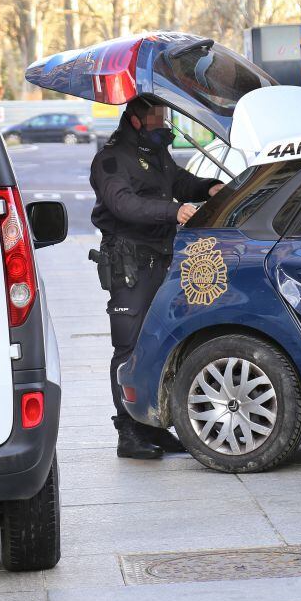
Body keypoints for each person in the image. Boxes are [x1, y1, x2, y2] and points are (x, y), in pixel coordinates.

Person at [89, 98, 224, 459]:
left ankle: (154, 427)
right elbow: (124, 205)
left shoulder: (156, 151)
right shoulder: (112, 159)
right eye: (155, 116)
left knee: (160, 342)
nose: (163, 121)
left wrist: (208, 188)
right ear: (135, 120)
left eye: (165, 115)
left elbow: (177, 180)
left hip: (162, 256)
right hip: (129, 259)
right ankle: (128, 432)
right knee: (129, 346)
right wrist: (173, 211)